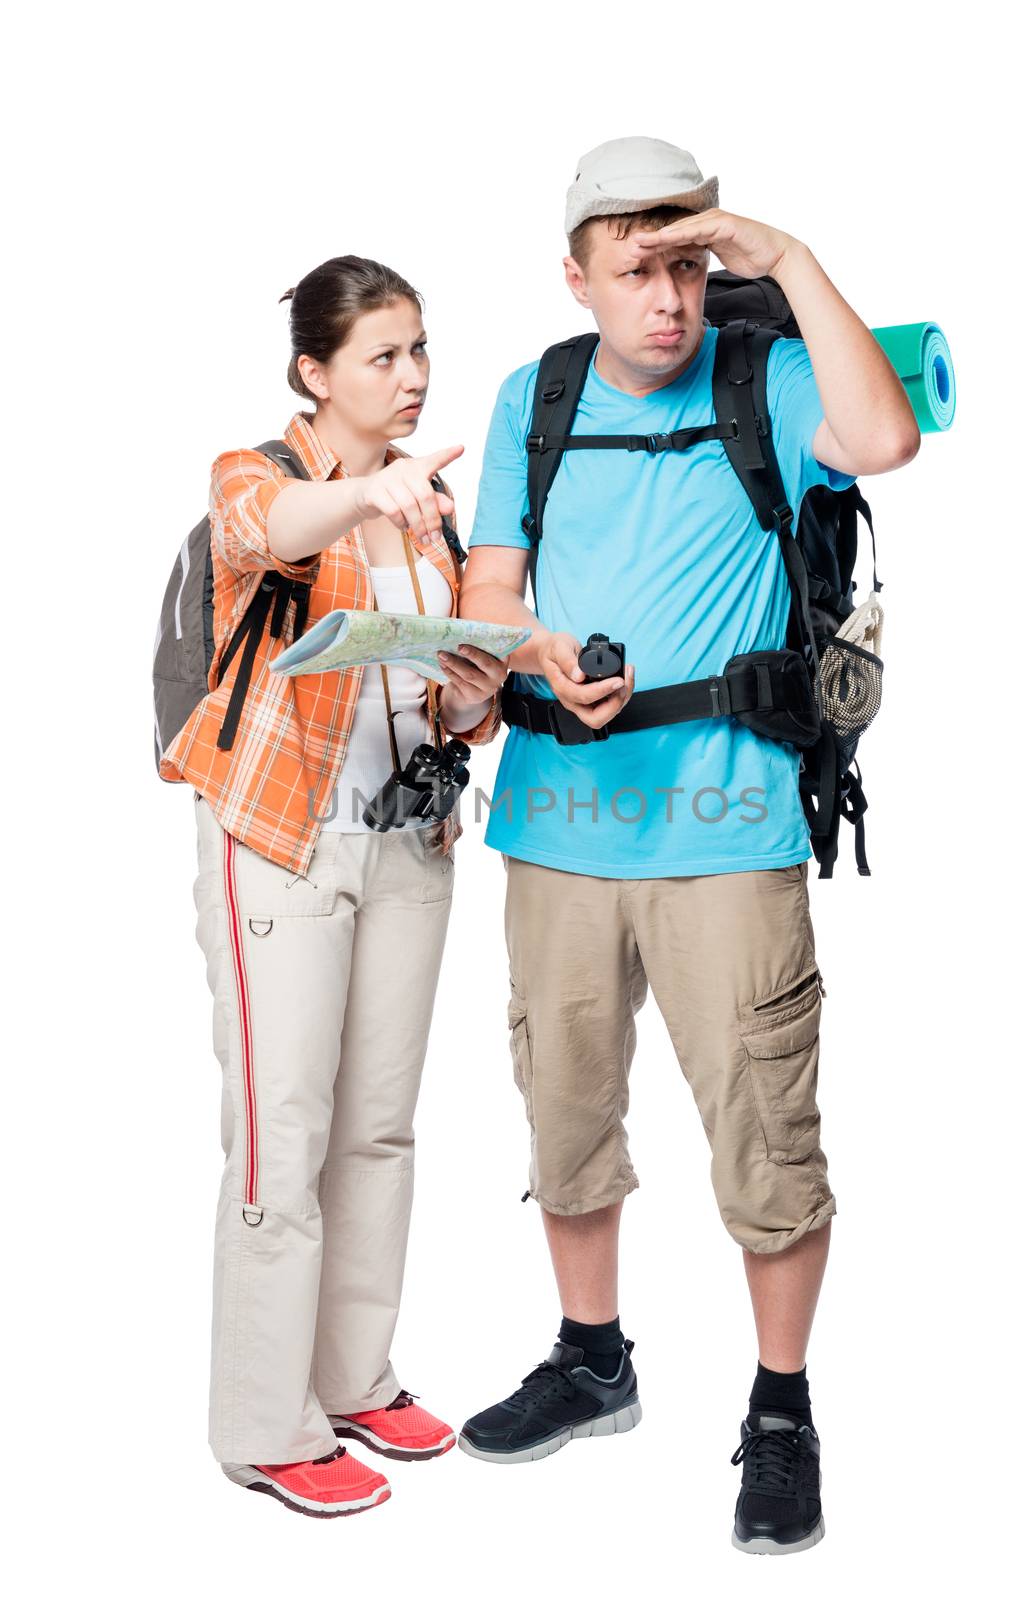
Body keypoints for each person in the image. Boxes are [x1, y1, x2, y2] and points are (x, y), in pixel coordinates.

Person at [454, 139, 919, 1553]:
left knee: (767, 1136)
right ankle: (592, 1359)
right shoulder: (532, 395)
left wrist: (784, 262)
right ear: (579, 276)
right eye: (636, 270)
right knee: (566, 1117)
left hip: (727, 830)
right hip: (558, 824)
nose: (668, 298)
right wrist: (522, 653)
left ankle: (781, 1408)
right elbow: (490, 581)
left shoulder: (760, 377)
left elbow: (885, 441)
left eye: (688, 265)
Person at [159, 254, 507, 1517]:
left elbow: (453, 695)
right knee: (282, 1135)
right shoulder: (264, 476)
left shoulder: (432, 511)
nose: (412, 379)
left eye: (421, 351)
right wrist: (369, 495)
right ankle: (265, 1422)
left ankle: (355, 1377)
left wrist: (473, 697)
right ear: (315, 371)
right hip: (282, 840)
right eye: (383, 356)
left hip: (408, 839)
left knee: (380, 1125)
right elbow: (267, 535)